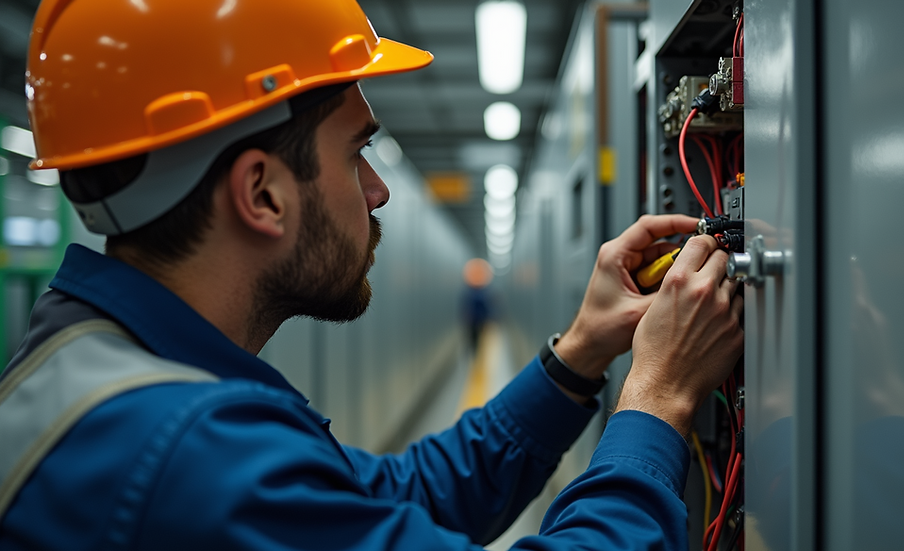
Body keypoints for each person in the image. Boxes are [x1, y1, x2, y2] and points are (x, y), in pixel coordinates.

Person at [0, 1, 743, 549]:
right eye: (355, 153)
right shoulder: (187, 456)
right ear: (262, 193)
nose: (377, 190)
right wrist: (658, 398)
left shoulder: (104, 367)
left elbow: (392, 497)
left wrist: (581, 352)